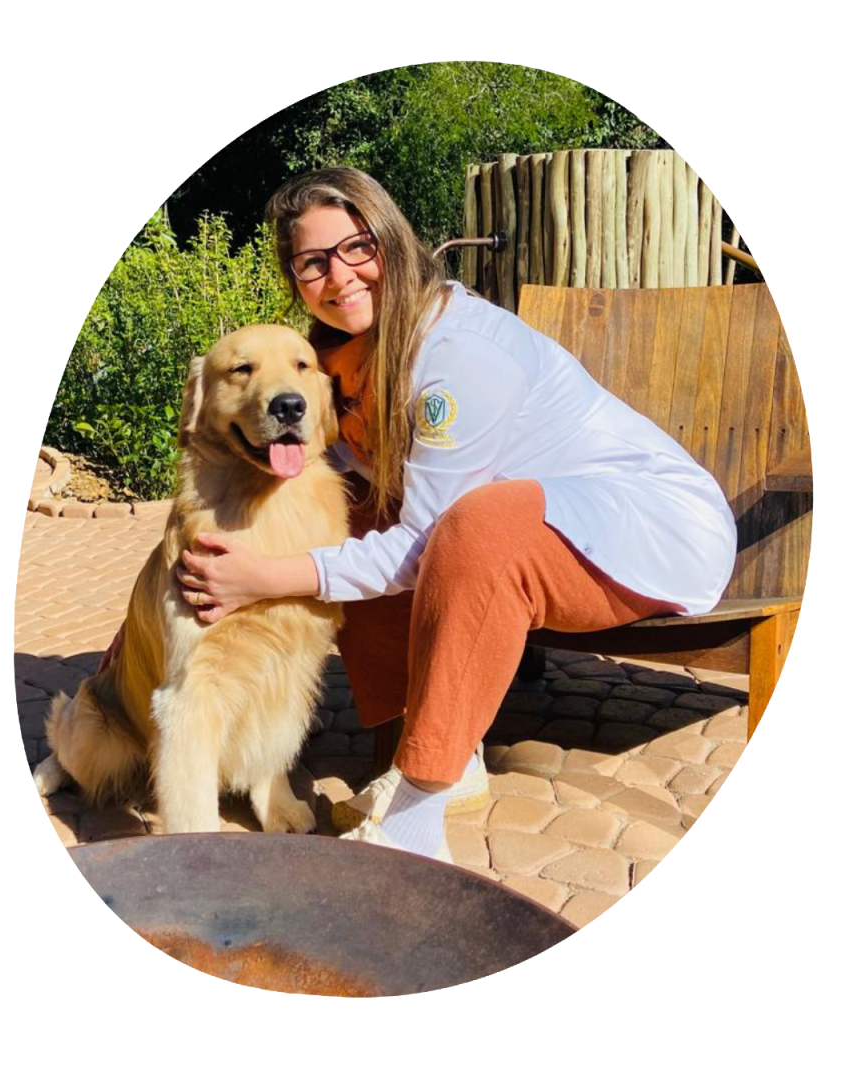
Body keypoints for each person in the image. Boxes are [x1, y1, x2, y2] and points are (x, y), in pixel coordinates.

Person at [175, 167, 738, 863]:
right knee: (337, 497)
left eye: (357, 247)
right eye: (312, 261)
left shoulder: (459, 355)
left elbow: (425, 543)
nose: (339, 276)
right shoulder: (333, 361)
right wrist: (175, 596)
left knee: (477, 523)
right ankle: (447, 739)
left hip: (651, 525)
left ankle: (419, 809)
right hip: (541, 523)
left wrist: (267, 578)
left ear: (391, 241)